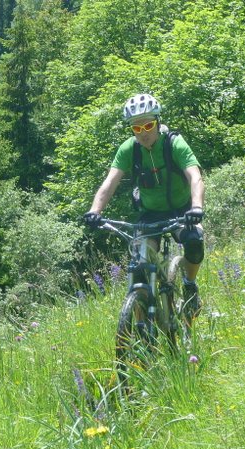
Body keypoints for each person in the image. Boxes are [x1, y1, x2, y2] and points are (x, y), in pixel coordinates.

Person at [84, 93, 205, 319]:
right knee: (139, 267)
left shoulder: (173, 143)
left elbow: (195, 176)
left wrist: (196, 207)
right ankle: (141, 322)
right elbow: (109, 183)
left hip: (182, 211)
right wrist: (95, 211)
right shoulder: (130, 149)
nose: (144, 132)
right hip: (149, 214)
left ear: (158, 122)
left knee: (194, 242)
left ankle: (189, 285)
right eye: (136, 128)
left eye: (148, 125)